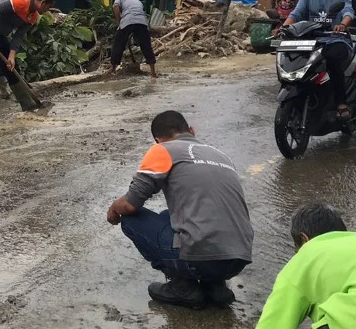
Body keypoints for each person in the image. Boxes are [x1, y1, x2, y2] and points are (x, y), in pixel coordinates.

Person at [106, 110, 253, 309]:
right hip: (238, 259)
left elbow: (130, 204)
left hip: (202, 261)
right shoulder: (221, 156)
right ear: (191, 131)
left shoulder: (163, 149)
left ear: (158, 140)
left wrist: (114, 209)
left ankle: (183, 286)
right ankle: (215, 286)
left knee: (131, 219)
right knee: (169, 216)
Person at [281, 0, 355, 120]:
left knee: (333, 60)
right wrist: (284, 28)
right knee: (292, 57)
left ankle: (341, 103)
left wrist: (342, 24)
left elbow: (348, 12)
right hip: (312, 41)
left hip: (336, 40)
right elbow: (296, 14)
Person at [0, 0, 55, 120]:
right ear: (42, 3)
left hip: (0, 35)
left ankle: (27, 104)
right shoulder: (18, 1)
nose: (47, 11)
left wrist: (11, 57)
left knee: (11, 68)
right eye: (49, 7)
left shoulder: (33, 16)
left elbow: (18, 37)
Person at [109, 0, 158, 78]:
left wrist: (119, 20)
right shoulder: (138, 1)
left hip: (127, 20)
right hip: (142, 21)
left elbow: (115, 6)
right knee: (146, 45)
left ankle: (113, 70)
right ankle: (153, 72)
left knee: (118, 43)